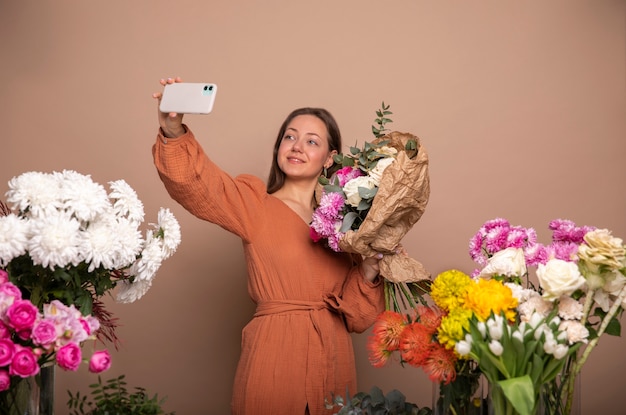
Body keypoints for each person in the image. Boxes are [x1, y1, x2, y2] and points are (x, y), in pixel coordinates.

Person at [152, 77, 385, 415]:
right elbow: (200, 184)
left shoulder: (347, 226)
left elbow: (358, 317)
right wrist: (174, 131)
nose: (296, 146)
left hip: (334, 362)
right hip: (274, 355)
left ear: (329, 157)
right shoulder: (254, 203)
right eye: (289, 137)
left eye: (311, 141)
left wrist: (369, 268)